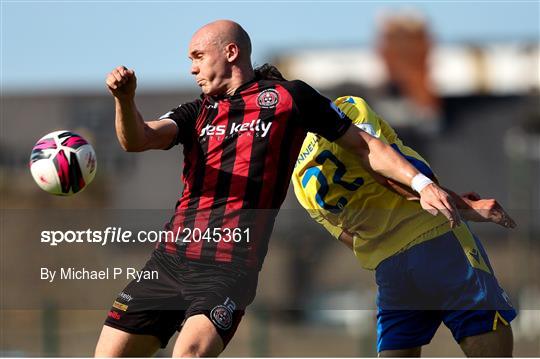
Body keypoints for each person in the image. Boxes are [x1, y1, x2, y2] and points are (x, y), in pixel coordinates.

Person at [96, 20, 461, 357]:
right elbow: (138, 139)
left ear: (231, 52)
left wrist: (422, 183)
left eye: (198, 56)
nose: (191, 68)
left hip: (227, 268)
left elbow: (364, 145)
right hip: (169, 260)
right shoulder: (196, 112)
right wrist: (125, 100)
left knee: (188, 353)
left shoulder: (290, 98)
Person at [292, 95, 517, 357]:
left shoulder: (298, 178)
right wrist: (465, 208)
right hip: (436, 239)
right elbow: (381, 165)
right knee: (485, 336)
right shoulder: (346, 109)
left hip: (390, 269)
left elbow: (347, 236)